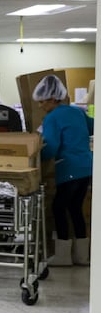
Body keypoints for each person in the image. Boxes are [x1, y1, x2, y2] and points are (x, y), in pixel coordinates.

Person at [35, 74, 94, 266]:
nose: (40, 106)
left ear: (53, 99)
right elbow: (93, 126)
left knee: (59, 207)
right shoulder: (76, 112)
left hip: (69, 168)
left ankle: (63, 256)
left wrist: (33, 158)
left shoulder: (52, 117)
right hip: (86, 167)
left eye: (42, 102)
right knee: (75, 208)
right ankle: (82, 256)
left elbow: (51, 146)